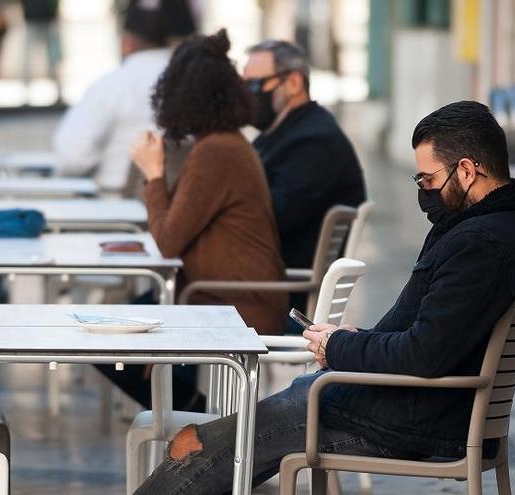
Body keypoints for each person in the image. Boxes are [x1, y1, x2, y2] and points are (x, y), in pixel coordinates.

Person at [135, 101, 515, 493]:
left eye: (429, 179)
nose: (423, 190)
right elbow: (438, 334)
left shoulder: (481, 242)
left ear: (466, 171)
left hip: (408, 422)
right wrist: (358, 340)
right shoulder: (508, 227)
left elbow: (425, 354)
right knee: (251, 423)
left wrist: (341, 346)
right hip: (413, 407)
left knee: (206, 444)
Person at [98, 30, 287, 412]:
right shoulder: (223, 143)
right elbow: (177, 228)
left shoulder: (216, 151)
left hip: (233, 305)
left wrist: (153, 175)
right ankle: (209, 426)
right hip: (222, 296)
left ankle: (215, 432)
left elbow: (168, 241)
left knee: (109, 347)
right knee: (111, 331)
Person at [243, 40, 366, 272]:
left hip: (279, 287)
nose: (247, 95)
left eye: (255, 85)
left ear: (293, 83)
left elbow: (268, 220)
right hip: (260, 276)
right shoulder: (279, 133)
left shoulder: (316, 142)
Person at [52, 4, 172, 193]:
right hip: (182, 206)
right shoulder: (194, 84)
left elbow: (72, 158)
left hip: (116, 207)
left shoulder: (111, 85)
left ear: (127, 42)